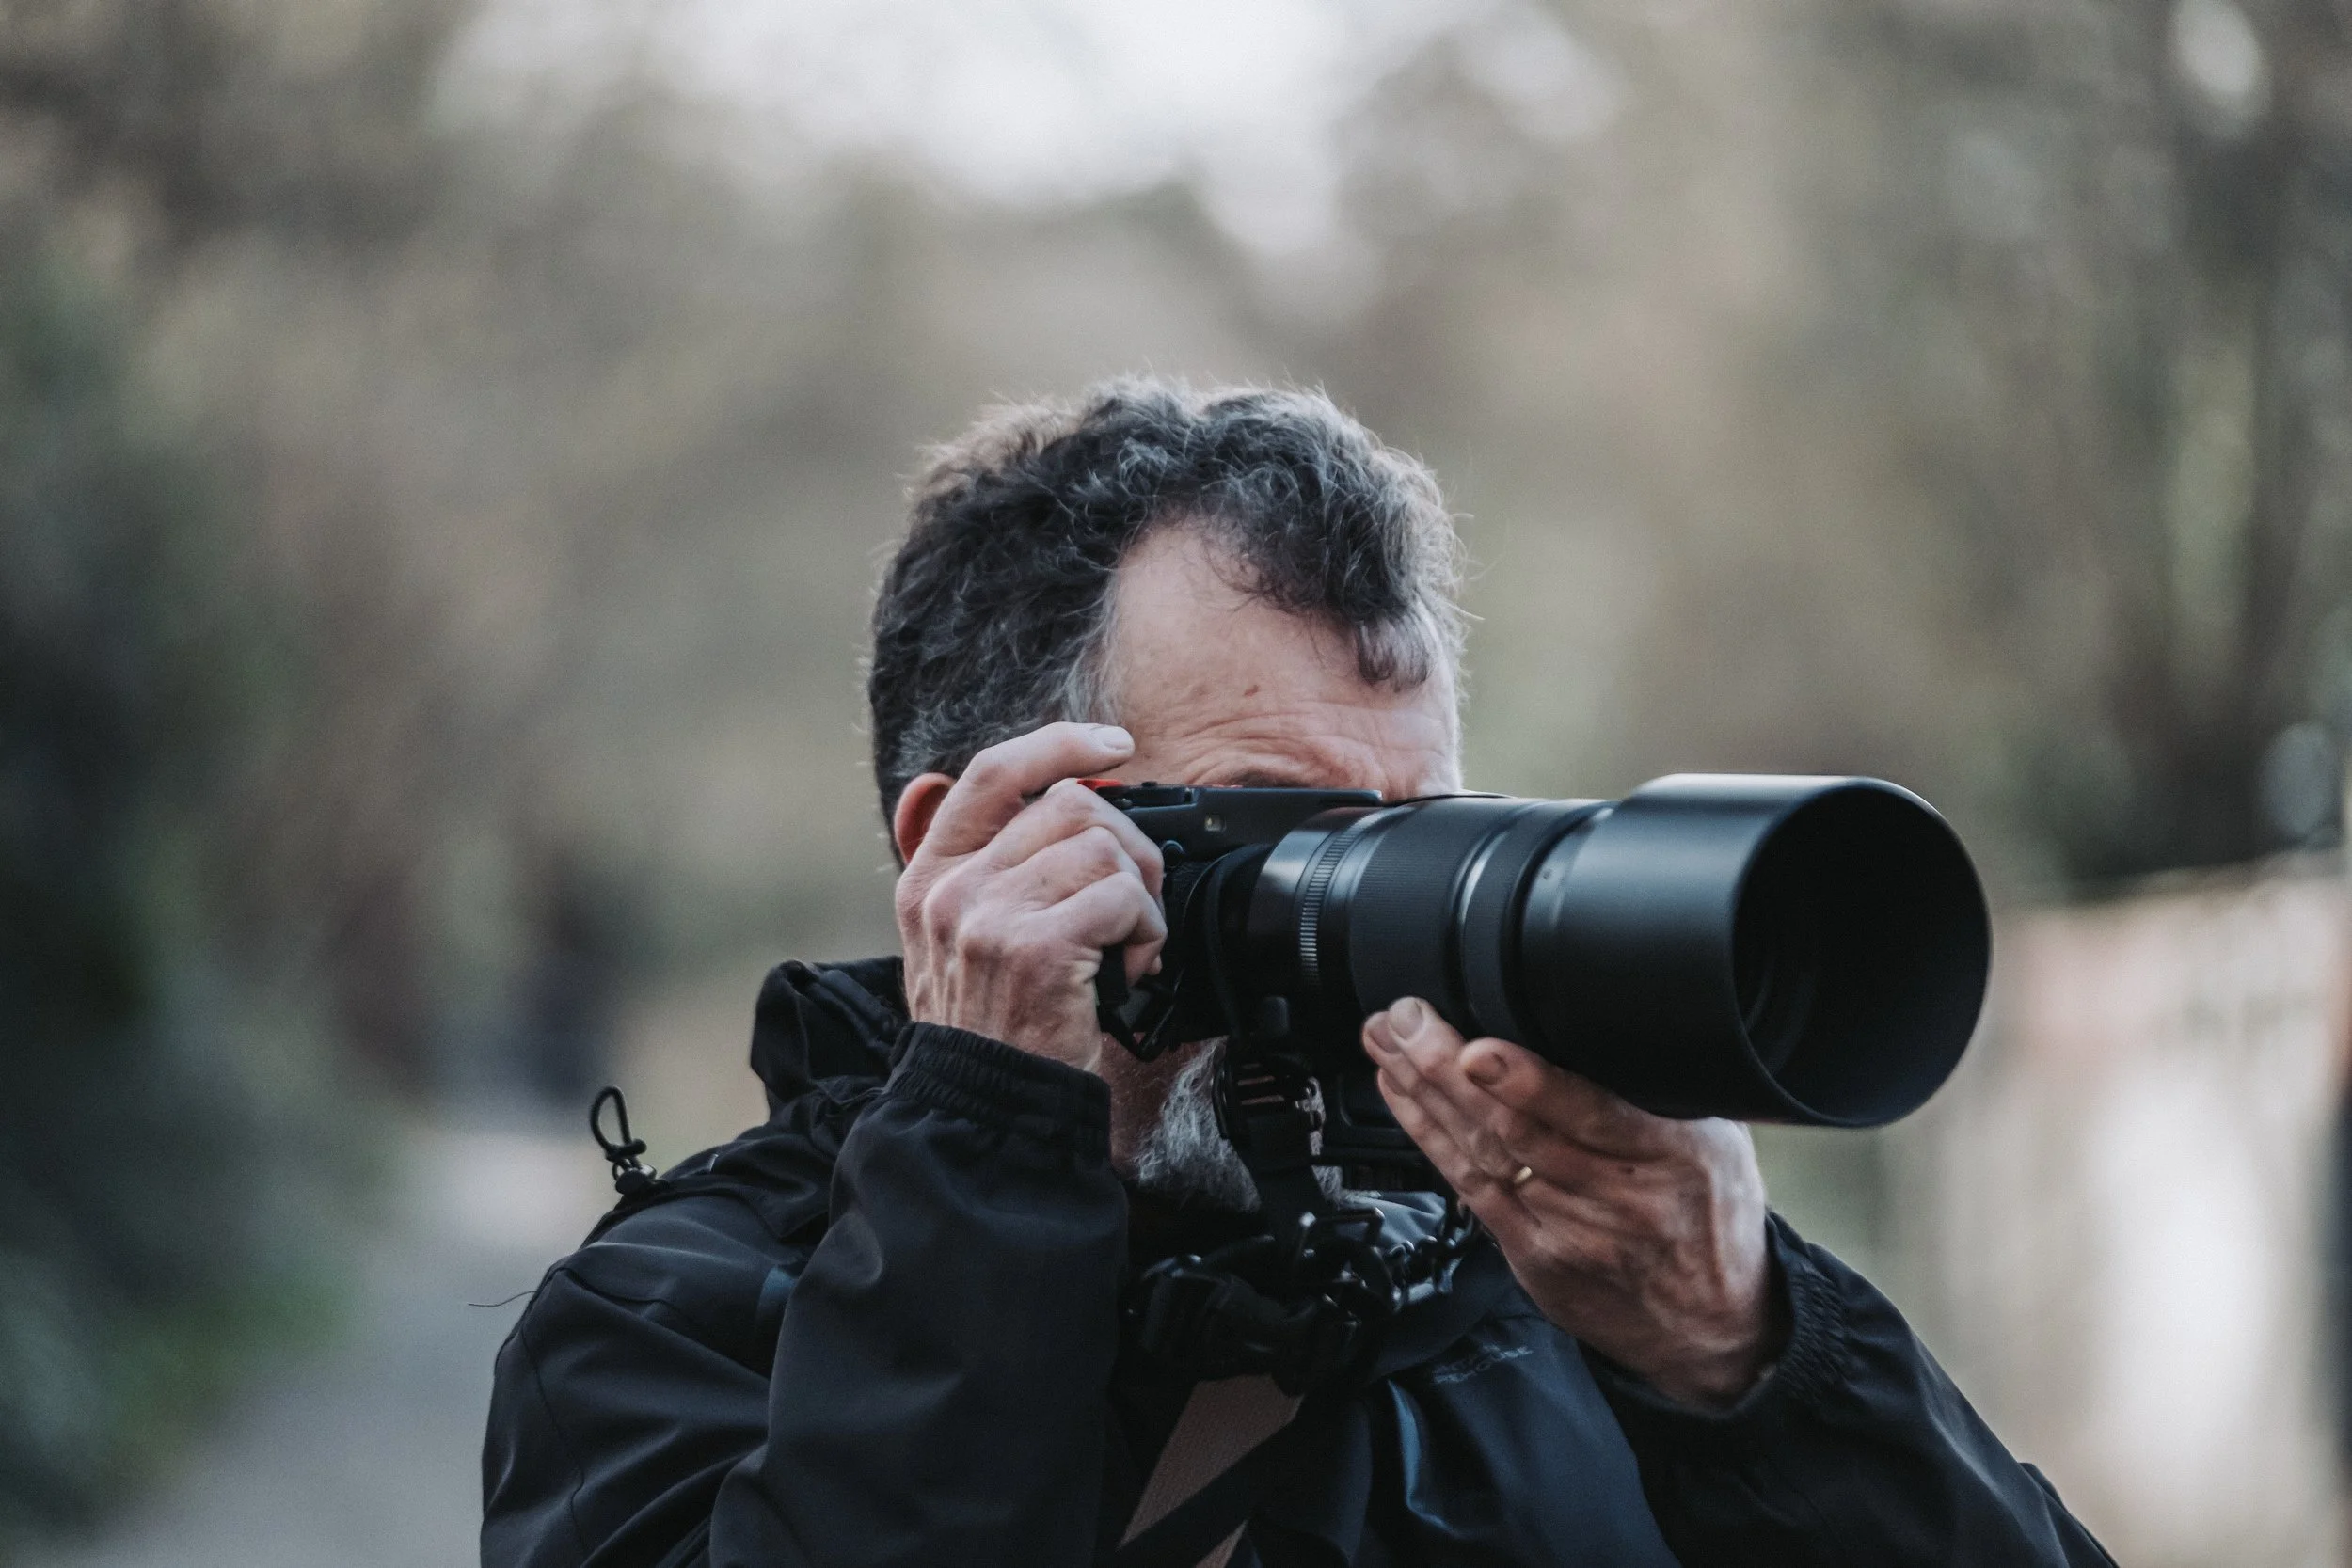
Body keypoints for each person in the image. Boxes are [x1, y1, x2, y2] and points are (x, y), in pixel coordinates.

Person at [481, 381, 2113, 1568]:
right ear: (963, 851)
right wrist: (988, 1148)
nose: (1376, 926)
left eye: (1421, 830)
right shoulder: (671, 1331)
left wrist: (1751, 1360)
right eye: (1284, 833)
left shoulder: (1557, 1289)